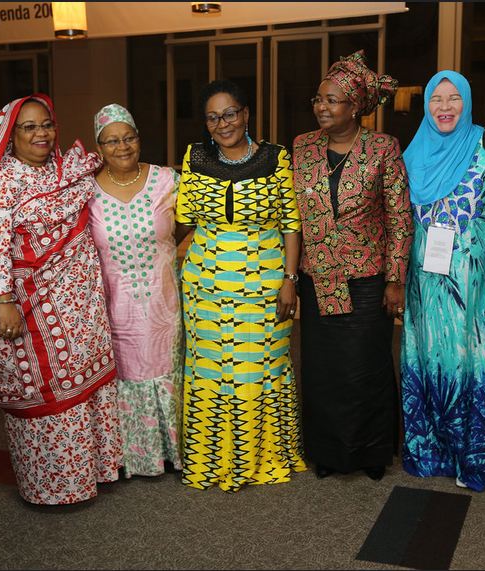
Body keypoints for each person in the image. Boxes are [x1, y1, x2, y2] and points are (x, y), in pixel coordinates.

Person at [0, 94, 122, 504]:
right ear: (9, 135)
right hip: (31, 306)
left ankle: (96, 471)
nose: (41, 133)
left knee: (86, 382)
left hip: (81, 304)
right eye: (29, 126)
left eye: (46, 124)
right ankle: (54, 487)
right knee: (47, 390)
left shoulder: (66, 169)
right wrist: (2, 300)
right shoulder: (2, 180)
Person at [400, 71, 485, 492]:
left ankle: (479, 455)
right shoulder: (412, 153)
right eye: (437, 98)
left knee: (477, 359)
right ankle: (434, 450)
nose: (445, 106)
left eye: (454, 98)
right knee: (430, 356)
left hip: (479, 285)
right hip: (426, 283)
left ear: (468, 102)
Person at [175, 79, 305, 492]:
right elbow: (185, 221)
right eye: (213, 117)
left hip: (263, 284)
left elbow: (291, 224)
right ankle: (211, 459)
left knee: (259, 368)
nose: (222, 123)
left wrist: (289, 279)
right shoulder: (194, 158)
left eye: (229, 113)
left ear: (246, 114)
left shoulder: (276, 157)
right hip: (206, 286)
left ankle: (262, 458)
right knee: (211, 371)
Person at [292, 50, 412, 482]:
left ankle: (371, 451)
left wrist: (395, 280)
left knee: (366, 367)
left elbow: (400, 217)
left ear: (356, 105)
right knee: (323, 370)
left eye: (332, 100)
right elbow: (294, 217)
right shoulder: (302, 147)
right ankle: (329, 452)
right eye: (318, 99)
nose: (322, 107)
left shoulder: (383, 148)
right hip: (318, 276)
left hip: (366, 280)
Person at [88, 103, 183, 478]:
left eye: (128, 137)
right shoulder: (87, 193)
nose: (122, 146)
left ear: (139, 139)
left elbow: (193, 224)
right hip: (117, 306)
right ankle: (135, 455)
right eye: (111, 141)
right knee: (128, 371)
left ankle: (174, 451)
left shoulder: (166, 180)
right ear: (99, 148)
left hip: (164, 301)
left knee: (167, 366)